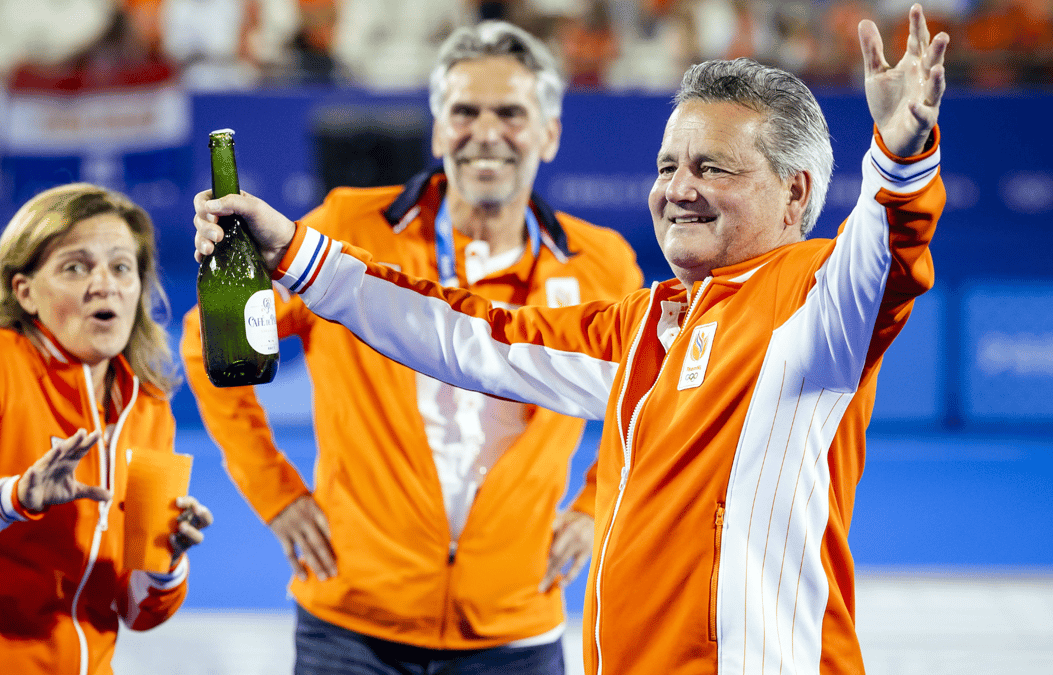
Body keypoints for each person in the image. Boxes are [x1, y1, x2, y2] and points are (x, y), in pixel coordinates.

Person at [191, 4, 949, 674]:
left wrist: (900, 155)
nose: (678, 188)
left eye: (712, 167)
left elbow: (888, 247)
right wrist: (292, 251)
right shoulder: (643, 324)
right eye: (668, 165)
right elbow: (467, 336)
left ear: (795, 193)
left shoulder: (817, 303)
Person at [181, 20, 643, 675]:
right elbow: (208, 335)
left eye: (511, 113)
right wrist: (274, 490)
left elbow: (643, 397)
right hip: (352, 626)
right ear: (438, 131)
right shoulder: (349, 229)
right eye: (465, 112)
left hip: (514, 628)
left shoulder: (603, 264)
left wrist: (599, 502)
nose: (486, 132)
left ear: (549, 133)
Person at [0, 183, 213, 675]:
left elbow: (138, 611)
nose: (104, 284)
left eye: (122, 267)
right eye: (75, 267)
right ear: (25, 292)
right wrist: (16, 497)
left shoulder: (150, 406)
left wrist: (166, 562)